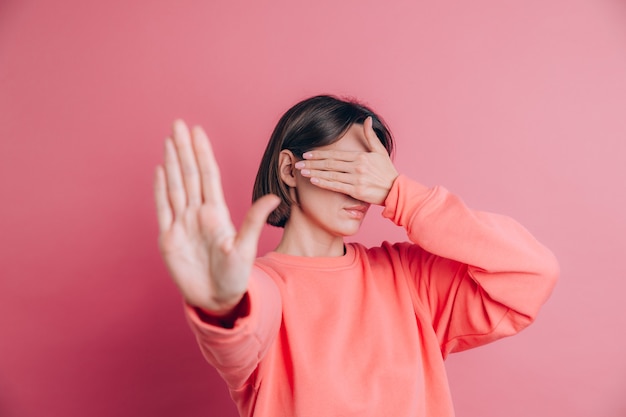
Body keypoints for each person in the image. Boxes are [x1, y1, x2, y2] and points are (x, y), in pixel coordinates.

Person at [153, 95, 559, 417]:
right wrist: (225, 305)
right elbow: (242, 335)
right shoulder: (262, 288)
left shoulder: (410, 278)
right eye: (347, 170)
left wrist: (400, 194)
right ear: (290, 170)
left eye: (373, 176)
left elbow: (531, 273)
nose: (360, 193)